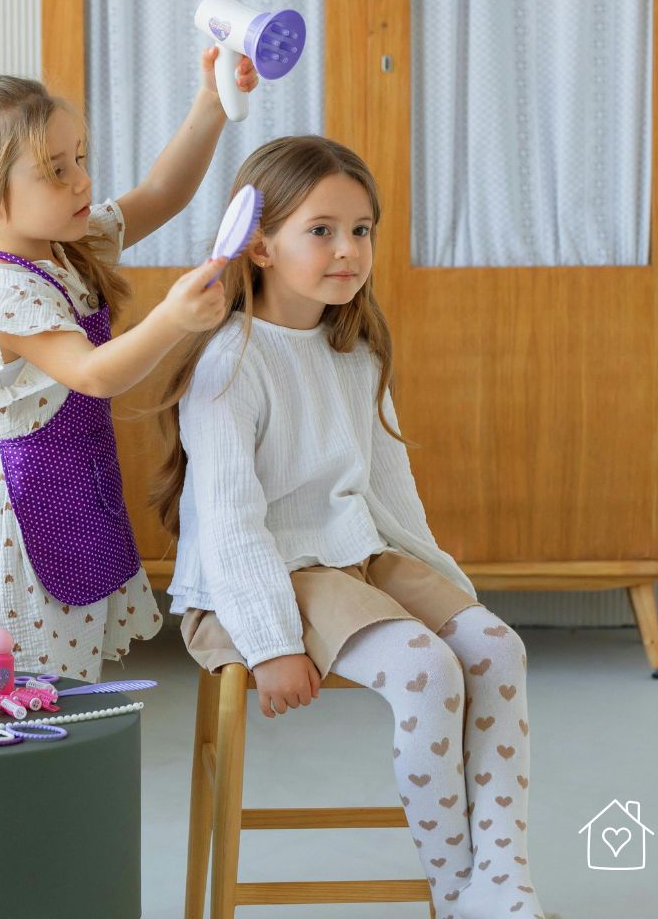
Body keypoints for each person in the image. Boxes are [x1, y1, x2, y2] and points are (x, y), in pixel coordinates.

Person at [157, 135, 546, 919]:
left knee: (497, 649)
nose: (348, 250)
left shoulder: (355, 351)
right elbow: (231, 522)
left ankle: (502, 884)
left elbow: (392, 495)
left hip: (357, 557)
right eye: (323, 230)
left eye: (362, 230)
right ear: (260, 243)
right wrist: (271, 644)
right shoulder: (228, 362)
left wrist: (453, 599)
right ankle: (455, 888)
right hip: (265, 578)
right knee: (427, 672)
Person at [0, 53, 256, 680]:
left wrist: (209, 101)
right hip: (17, 531)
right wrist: (173, 318)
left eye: (81, 159)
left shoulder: (68, 246)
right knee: (12, 691)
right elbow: (93, 374)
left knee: (62, 688)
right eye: (55, 170)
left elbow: (161, 194)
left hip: (75, 493)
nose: (82, 182)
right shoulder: (4, 293)